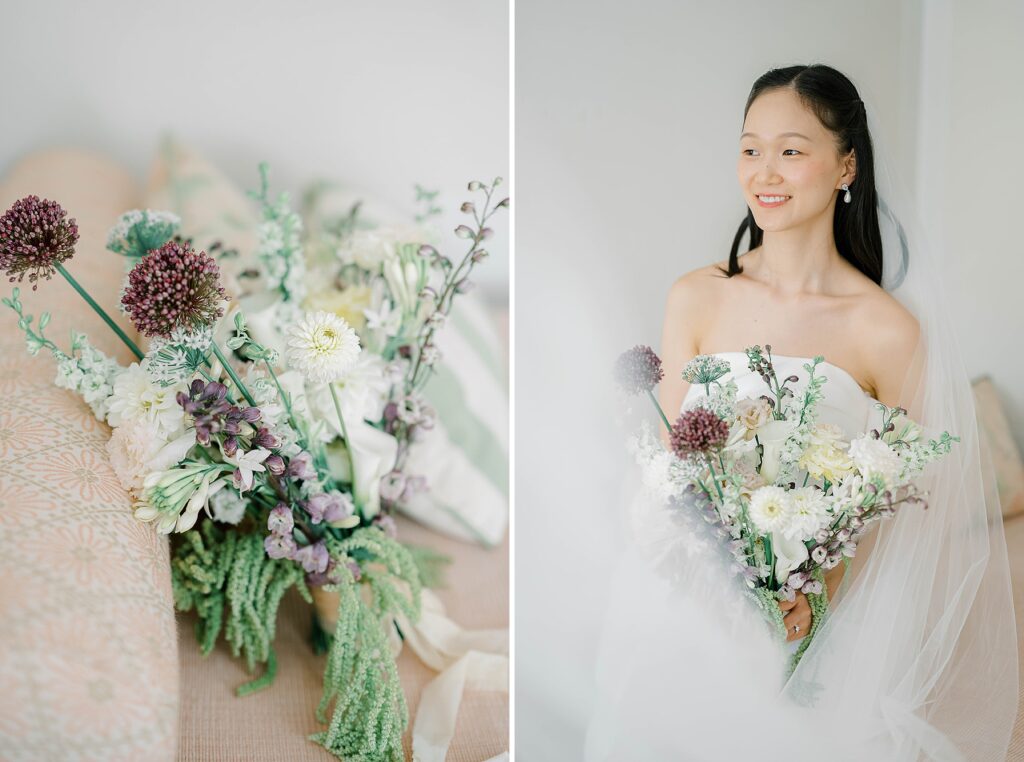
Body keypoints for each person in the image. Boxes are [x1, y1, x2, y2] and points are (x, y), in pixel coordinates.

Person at [586, 64, 1018, 761]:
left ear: (846, 164)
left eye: (790, 149)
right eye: (750, 148)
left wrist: (818, 594)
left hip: (808, 621)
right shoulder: (695, 297)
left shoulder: (888, 331)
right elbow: (668, 467)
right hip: (672, 602)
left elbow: (905, 507)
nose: (765, 171)